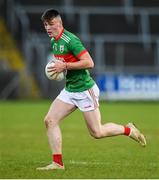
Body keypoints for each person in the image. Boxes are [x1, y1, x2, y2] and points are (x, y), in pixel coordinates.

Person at [37, 9, 146, 170]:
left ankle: (129, 130)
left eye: (51, 24)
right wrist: (61, 69)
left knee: (97, 132)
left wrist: (64, 66)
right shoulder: (54, 41)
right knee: (50, 120)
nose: (48, 28)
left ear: (60, 24)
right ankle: (57, 163)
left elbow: (89, 62)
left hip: (85, 90)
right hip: (70, 89)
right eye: (45, 24)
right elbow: (64, 64)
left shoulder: (71, 40)